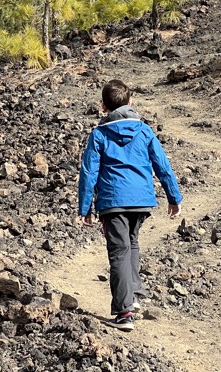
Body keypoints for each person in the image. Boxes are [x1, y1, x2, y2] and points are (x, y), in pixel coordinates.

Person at [77, 79, 183, 331]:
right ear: (131, 102)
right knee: (131, 244)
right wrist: (174, 197)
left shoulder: (99, 134)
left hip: (113, 201)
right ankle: (133, 295)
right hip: (141, 201)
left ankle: (124, 313)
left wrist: (84, 208)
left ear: (103, 106)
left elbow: (88, 172)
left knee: (119, 252)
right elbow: (162, 165)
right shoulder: (144, 131)